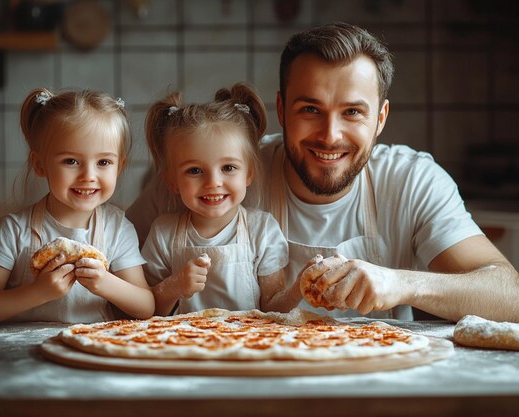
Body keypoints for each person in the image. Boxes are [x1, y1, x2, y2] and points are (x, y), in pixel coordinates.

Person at [127, 22, 519, 322]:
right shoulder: (218, 174)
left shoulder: (412, 181)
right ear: (282, 111)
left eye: (352, 112)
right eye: (310, 110)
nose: (330, 136)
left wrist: (401, 283)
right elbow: (115, 262)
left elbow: (509, 296)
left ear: (380, 118)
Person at [0, 88, 155, 325]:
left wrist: (105, 283)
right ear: (40, 164)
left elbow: (146, 306)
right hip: (20, 352)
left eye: (103, 162)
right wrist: (38, 293)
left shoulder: (117, 229)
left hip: (90, 349)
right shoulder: (13, 230)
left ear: (120, 166)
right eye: (71, 161)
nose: (88, 176)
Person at [140, 83, 300, 316]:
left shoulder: (262, 231)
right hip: (182, 346)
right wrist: (173, 287)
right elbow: (147, 309)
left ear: (249, 173)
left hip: (249, 347)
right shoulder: (163, 233)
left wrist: (298, 289)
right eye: (195, 171)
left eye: (228, 167)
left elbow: (272, 308)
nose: (213, 182)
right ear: (171, 180)